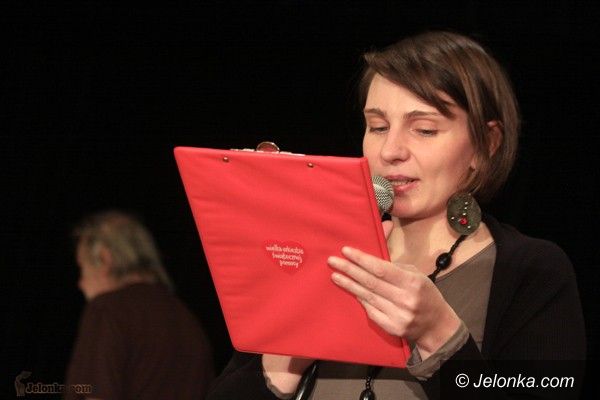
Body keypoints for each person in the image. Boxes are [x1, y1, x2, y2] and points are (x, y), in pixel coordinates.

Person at [206, 31, 586, 399]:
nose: (390, 150)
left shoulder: (531, 271)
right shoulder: (330, 256)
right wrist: (285, 355)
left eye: (424, 130)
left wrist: (438, 334)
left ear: (486, 145)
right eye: (378, 127)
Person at [65, 210, 215, 400]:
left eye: (82, 267)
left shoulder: (107, 310)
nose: (80, 283)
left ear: (104, 259)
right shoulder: (188, 321)